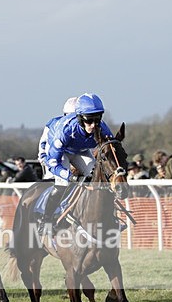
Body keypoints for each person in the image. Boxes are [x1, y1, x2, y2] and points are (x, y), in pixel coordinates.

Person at [38, 93, 114, 234]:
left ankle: (106, 216)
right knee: (62, 183)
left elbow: (112, 149)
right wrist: (69, 176)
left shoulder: (102, 127)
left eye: (97, 119)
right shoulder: (65, 131)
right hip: (61, 153)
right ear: (79, 118)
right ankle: (46, 220)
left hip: (81, 151)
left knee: (97, 177)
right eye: (89, 120)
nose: (94, 125)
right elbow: (52, 163)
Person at [37, 96, 78, 179]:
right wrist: (43, 156)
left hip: (75, 156)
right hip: (57, 156)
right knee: (56, 178)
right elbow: (43, 142)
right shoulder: (53, 123)